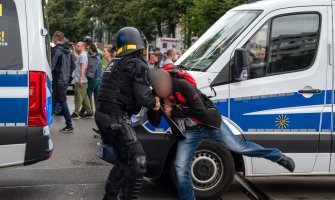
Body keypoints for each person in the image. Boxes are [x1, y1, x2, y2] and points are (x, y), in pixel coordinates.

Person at [148, 69, 295, 200]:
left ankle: (277, 156)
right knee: (180, 166)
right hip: (190, 132)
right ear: (155, 87)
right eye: (160, 88)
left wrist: (174, 111)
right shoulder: (157, 96)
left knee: (239, 147)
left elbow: (200, 111)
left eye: (166, 85)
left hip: (210, 124)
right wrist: (155, 108)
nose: (164, 89)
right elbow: (154, 122)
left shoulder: (182, 85)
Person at [95, 27, 160, 200]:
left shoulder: (115, 62)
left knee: (125, 160)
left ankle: (111, 196)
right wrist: (155, 103)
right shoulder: (137, 64)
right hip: (115, 118)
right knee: (137, 160)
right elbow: (143, 97)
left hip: (104, 116)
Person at [51, 31, 75, 132]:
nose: (52, 40)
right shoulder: (69, 51)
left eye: (53, 38)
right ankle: (44, 124)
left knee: (61, 102)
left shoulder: (56, 50)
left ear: (56, 38)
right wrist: (68, 78)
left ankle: (69, 125)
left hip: (57, 80)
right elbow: (73, 66)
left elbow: (51, 66)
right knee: (52, 102)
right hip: (65, 81)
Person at [71, 41, 94, 119]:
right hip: (82, 80)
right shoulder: (81, 55)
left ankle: (75, 113)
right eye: (76, 45)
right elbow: (76, 57)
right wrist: (73, 49)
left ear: (83, 47)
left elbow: (83, 68)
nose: (77, 47)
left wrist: (80, 79)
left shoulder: (83, 55)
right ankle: (90, 112)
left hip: (81, 80)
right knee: (84, 97)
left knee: (78, 97)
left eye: (78, 46)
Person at [86, 44, 103, 110]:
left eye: (89, 49)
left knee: (88, 94)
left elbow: (91, 69)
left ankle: (90, 110)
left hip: (92, 79)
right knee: (97, 95)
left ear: (91, 49)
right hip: (99, 78)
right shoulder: (99, 57)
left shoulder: (92, 57)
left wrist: (87, 75)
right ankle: (98, 109)